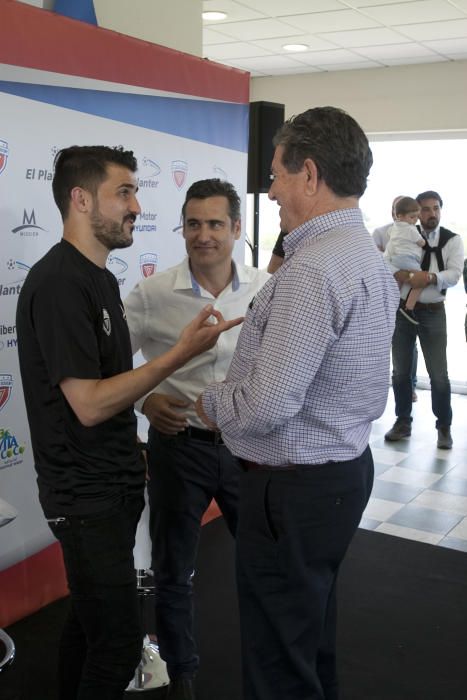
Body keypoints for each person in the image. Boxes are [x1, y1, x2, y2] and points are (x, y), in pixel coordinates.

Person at [15, 146, 242, 700]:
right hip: (85, 496)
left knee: (87, 628)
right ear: (80, 198)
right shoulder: (60, 283)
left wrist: (138, 423)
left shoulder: (98, 279)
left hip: (113, 486)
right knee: (117, 644)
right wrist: (179, 355)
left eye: (136, 191)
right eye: (125, 192)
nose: (137, 205)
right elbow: (89, 404)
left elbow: (111, 388)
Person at [196, 106, 400, 700]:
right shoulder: (363, 255)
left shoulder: (312, 270)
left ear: (308, 174)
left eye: (276, 176)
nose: (272, 190)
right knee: (308, 643)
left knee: (277, 660)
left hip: (292, 490)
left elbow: (265, 406)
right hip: (337, 477)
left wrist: (210, 401)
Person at [124, 178, 269, 700]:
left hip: (247, 449)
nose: (202, 235)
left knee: (262, 566)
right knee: (173, 570)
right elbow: (109, 363)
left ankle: (268, 670)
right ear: (182, 228)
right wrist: (145, 400)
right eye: (193, 224)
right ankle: (181, 676)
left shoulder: (264, 289)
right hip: (179, 448)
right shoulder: (152, 294)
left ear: (235, 228)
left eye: (214, 224)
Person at [384, 190, 464, 450]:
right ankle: (402, 421)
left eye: (436, 208)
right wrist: (401, 275)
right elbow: (386, 257)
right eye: (426, 209)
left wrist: (429, 278)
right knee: (400, 372)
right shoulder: (402, 232)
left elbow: (454, 273)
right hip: (402, 310)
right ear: (416, 212)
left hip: (433, 312)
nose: (431, 214)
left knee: (439, 375)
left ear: (441, 210)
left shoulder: (452, 240)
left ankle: (444, 427)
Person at [385, 196, 425, 324]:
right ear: (400, 215)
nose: (415, 221)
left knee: (399, 284)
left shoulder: (393, 228)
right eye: (412, 217)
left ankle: (396, 304)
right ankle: (408, 307)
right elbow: (422, 243)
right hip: (408, 260)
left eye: (416, 217)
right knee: (420, 281)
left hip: (396, 259)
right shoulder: (411, 229)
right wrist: (422, 241)